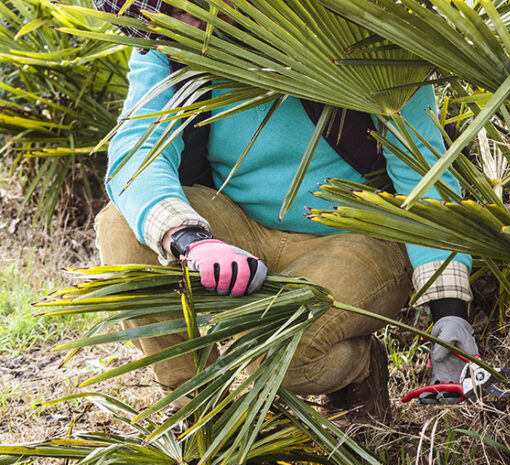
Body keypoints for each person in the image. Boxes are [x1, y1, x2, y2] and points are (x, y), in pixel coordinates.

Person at [93, 0, 478, 420]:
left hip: (355, 234)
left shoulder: (354, 21)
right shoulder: (168, 46)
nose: (184, 26)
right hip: (238, 227)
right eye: (163, 18)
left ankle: (359, 370)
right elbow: (136, 155)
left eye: (187, 8)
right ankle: (195, 409)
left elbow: (424, 177)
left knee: (275, 361)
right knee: (120, 227)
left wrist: (450, 312)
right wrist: (187, 237)